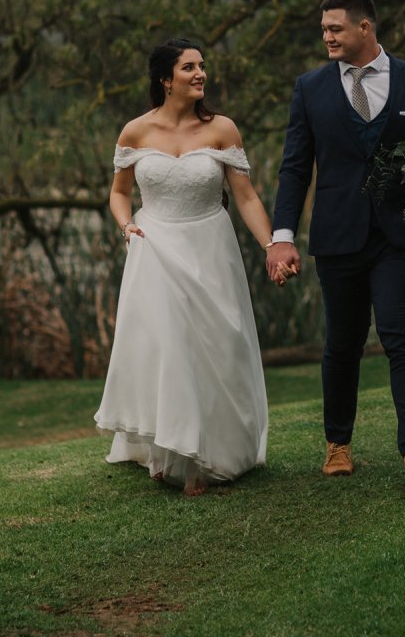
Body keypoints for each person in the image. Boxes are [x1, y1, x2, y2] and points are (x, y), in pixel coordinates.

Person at [267, 0, 405, 491]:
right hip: (337, 236)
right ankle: (338, 443)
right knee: (342, 344)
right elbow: (294, 168)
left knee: (403, 338)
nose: (326, 37)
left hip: (399, 236)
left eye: (335, 28)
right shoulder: (310, 88)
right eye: (323, 29)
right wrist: (282, 236)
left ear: (365, 27)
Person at [95, 38, 274, 496]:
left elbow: (246, 197)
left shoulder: (222, 129)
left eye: (202, 66)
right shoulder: (135, 131)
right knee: (169, 347)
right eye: (189, 67)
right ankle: (175, 456)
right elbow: (119, 193)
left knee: (217, 345)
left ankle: (215, 447)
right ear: (165, 79)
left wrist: (271, 245)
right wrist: (126, 226)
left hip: (210, 248)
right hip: (154, 245)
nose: (201, 74)